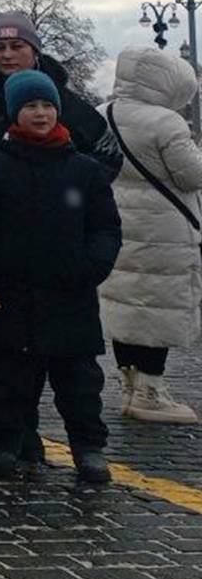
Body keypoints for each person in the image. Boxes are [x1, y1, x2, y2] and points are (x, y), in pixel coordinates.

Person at [0, 10, 115, 464]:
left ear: (35, 50)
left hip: (60, 250)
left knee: (69, 357)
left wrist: (77, 189)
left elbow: (104, 153)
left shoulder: (60, 99)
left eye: (17, 46)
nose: (8, 55)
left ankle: (53, 437)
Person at [0, 70, 120, 484]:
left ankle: (88, 448)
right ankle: (3, 445)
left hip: (72, 293)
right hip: (14, 294)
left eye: (47, 105)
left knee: (80, 383)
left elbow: (105, 226)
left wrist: (92, 266)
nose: (41, 113)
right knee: (9, 379)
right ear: (16, 113)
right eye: (31, 106)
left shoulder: (84, 170)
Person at [98, 46, 202, 424]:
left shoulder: (103, 114)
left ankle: (129, 384)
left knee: (126, 303)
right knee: (158, 304)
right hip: (162, 230)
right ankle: (151, 390)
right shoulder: (166, 122)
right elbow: (192, 176)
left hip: (115, 222)